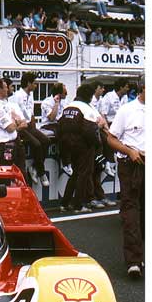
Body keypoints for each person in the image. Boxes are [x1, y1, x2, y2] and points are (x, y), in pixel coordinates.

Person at [107, 78, 146, 278]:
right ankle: (134, 261)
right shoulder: (127, 110)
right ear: (144, 89)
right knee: (131, 209)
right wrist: (129, 151)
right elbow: (111, 138)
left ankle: (141, 253)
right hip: (131, 163)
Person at [58, 83, 100, 213]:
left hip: (67, 145)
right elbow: (90, 131)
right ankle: (78, 205)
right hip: (84, 146)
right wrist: (97, 145)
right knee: (83, 174)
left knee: (75, 174)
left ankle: (65, 203)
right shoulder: (87, 109)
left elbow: (59, 127)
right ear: (89, 96)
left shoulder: (68, 107)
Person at [10, 72, 51, 187]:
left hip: (29, 126)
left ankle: (34, 167)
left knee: (46, 141)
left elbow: (31, 114)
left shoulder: (31, 96)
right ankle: (42, 173)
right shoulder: (17, 96)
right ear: (28, 83)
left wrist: (35, 128)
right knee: (37, 144)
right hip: (21, 127)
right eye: (34, 83)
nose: (36, 86)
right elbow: (13, 114)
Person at [0, 77, 26, 170]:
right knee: (4, 180)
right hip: (1, 148)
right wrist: (15, 120)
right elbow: (10, 128)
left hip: (14, 143)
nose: (7, 89)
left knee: (20, 177)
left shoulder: (4, 104)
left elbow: (20, 120)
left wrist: (15, 120)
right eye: (5, 87)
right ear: (0, 89)